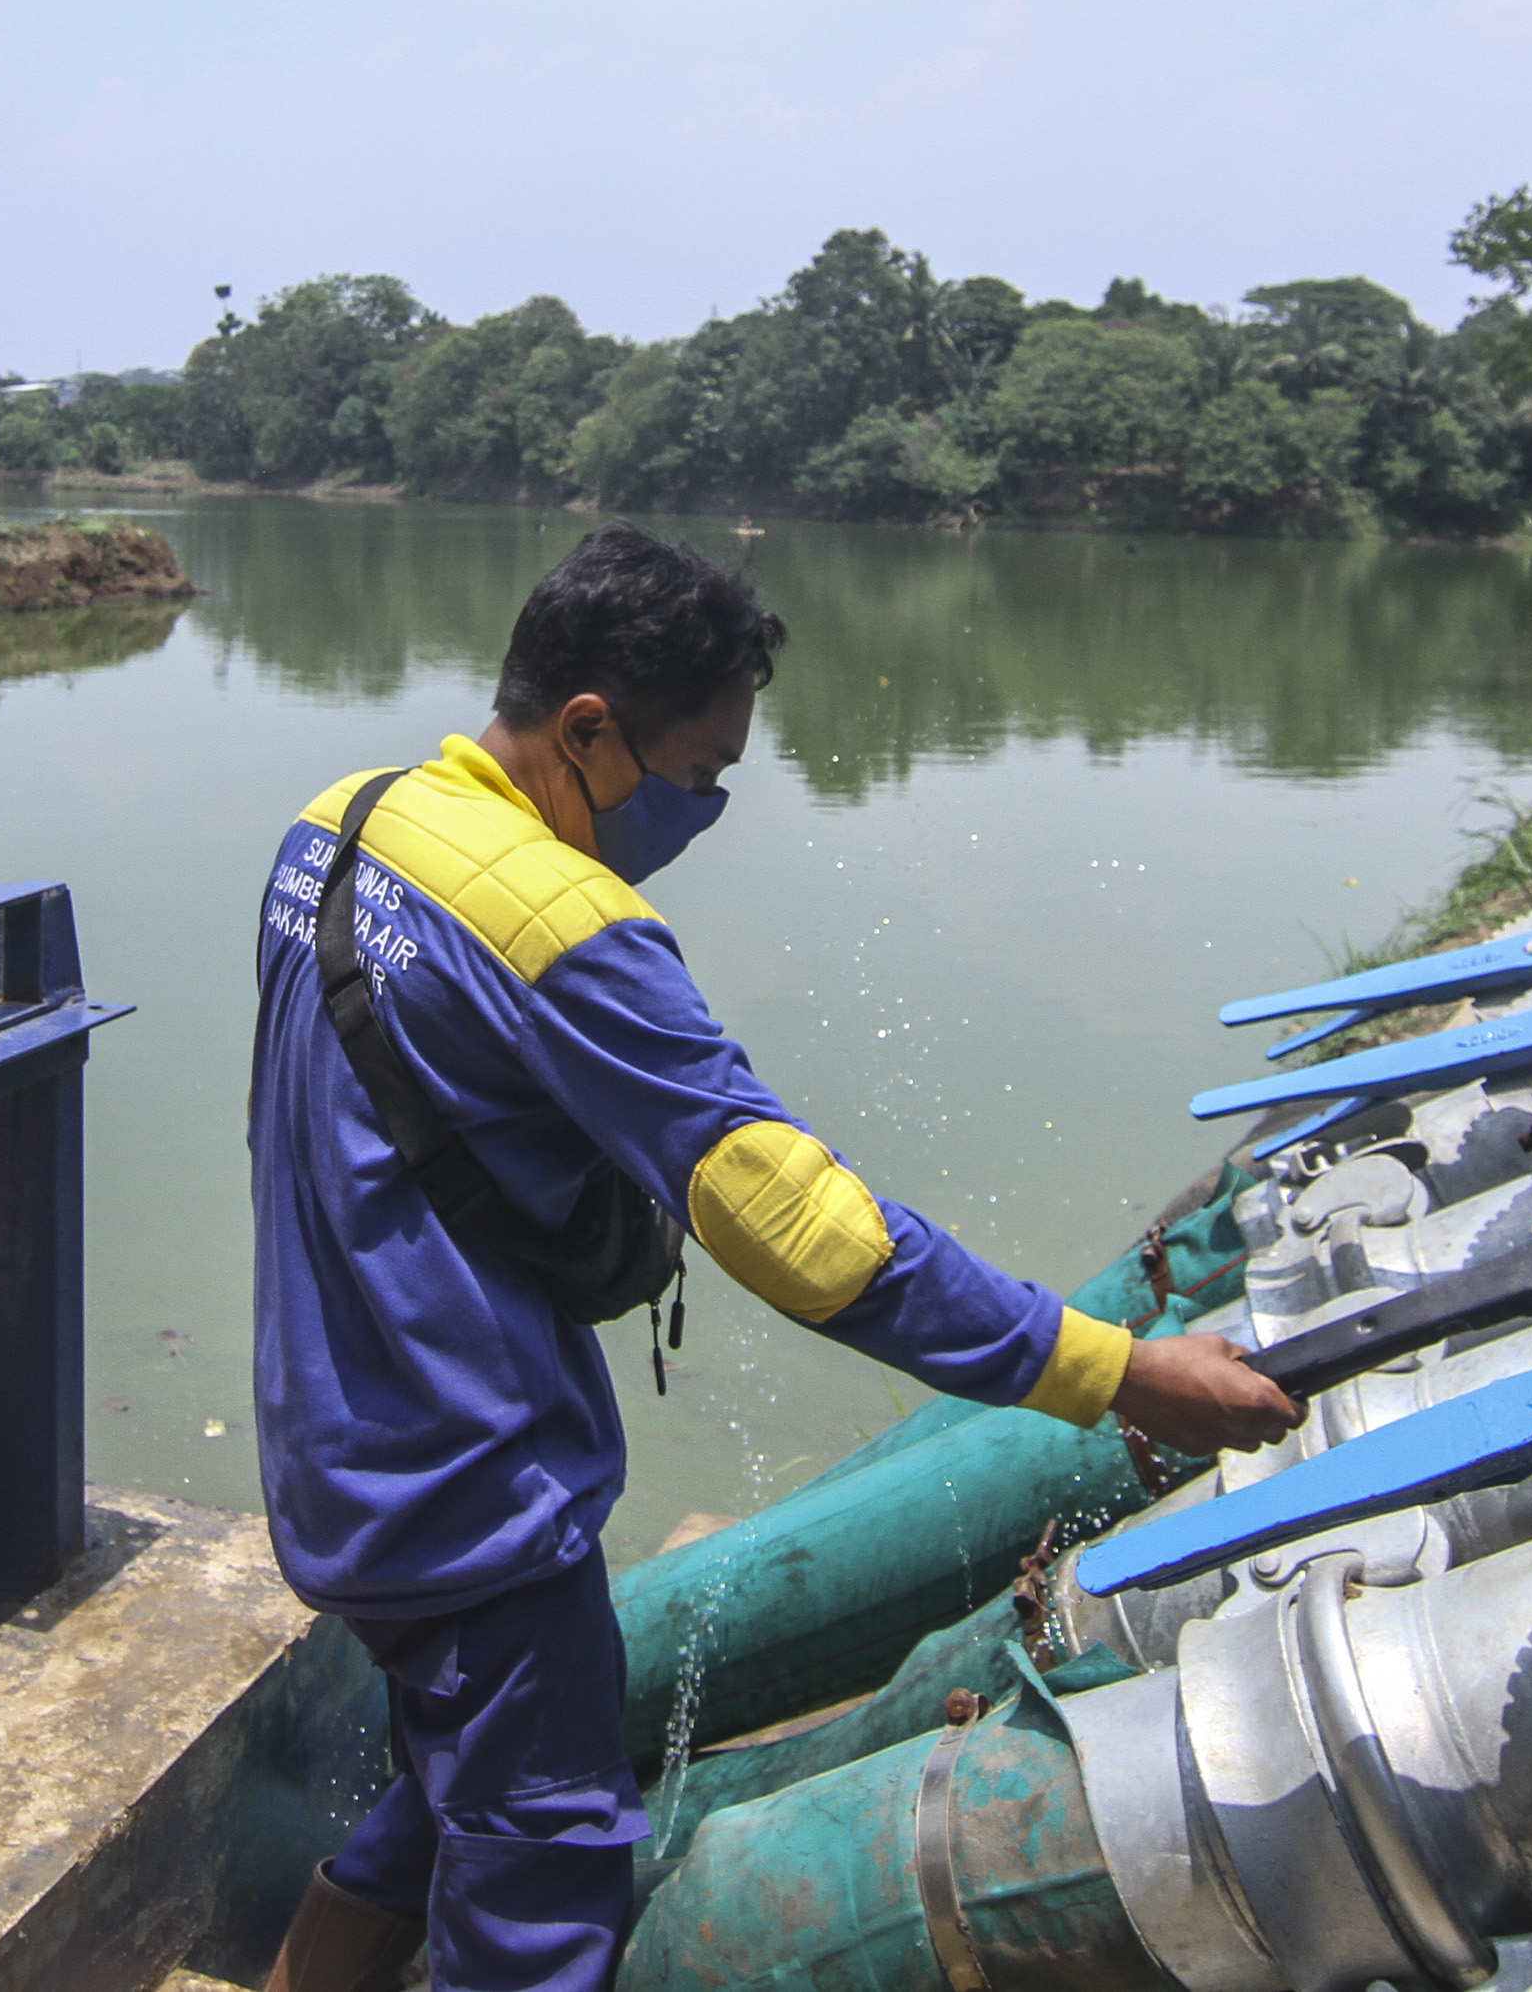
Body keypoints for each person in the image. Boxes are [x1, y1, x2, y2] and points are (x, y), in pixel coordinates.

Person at [247, 523, 1295, 1992]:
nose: (711, 809)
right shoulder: (567, 928)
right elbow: (814, 1240)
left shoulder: (344, 823)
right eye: (700, 778)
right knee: (544, 1875)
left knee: (472, 1755)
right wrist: (1116, 1370)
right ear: (589, 731)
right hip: (468, 1487)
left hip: (331, 1436)